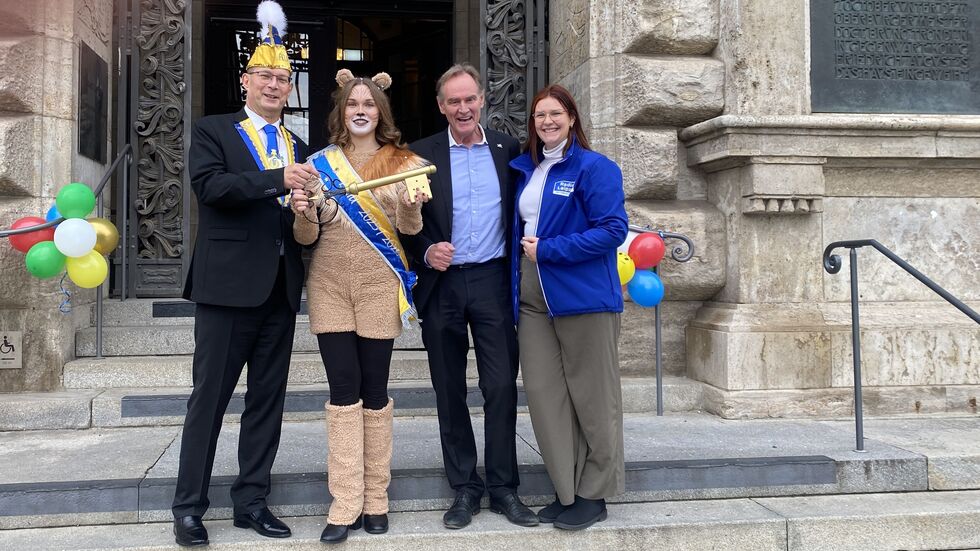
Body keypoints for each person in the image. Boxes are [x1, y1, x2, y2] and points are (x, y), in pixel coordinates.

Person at [172, 1, 314, 547]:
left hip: (281, 289)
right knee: (208, 402)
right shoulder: (214, 130)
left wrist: (308, 208)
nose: (274, 85)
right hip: (227, 289)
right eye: (265, 76)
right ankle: (188, 508)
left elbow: (300, 214)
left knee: (266, 404)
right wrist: (279, 180)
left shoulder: (301, 145)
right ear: (245, 81)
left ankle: (252, 502)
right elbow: (211, 188)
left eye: (282, 78)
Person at [289, 69, 430, 544]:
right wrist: (303, 212)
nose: (361, 110)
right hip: (329, 285)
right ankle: (345, 500)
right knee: (342, 391)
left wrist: (411, 203)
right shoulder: (317, 165)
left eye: (369, 104)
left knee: (374, 391)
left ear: (381, 111)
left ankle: (376, 498)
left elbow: (409, 231)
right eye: (353, 103)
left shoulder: (404, 161)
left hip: (377, 286)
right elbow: (306, 237)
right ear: (342, 111)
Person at [403, 63, 538, 529]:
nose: (463, 108)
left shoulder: (507, 149)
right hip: (442, 285)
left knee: (500, 386)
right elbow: (403, 222)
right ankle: (464, 487)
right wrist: (425, 250)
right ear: (441, 106)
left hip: (492, 280)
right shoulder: (418, 155)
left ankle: (503, 487)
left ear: (482, 100)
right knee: (449, 388)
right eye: (453, 101)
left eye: (469, 99)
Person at [509, 84, 628, 530]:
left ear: (572, 118)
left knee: (594, 399)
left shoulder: (595, 168)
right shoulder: (527, 168)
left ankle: (594, 493)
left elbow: (612, 230)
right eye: (540, 115)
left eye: (555, 113)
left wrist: (550, 250)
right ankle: (567, 488)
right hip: (533, 298)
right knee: (545, 397)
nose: (547, 121)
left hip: (583, 295)